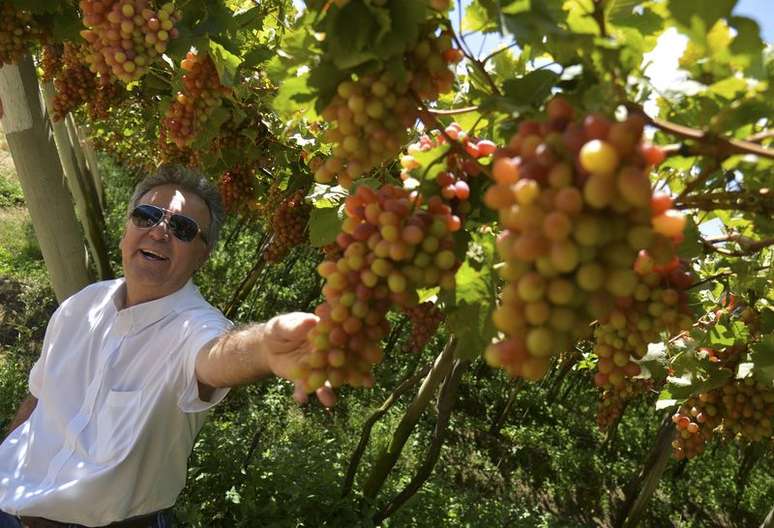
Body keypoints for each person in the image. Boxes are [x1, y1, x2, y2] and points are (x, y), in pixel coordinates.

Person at [0, 165, 333, 528]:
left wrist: (264, 348)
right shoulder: (80, 307)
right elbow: (38, 401)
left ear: (202, 256)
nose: (159, 231)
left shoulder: (195, 329)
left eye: (183, 228)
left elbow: (214, 357)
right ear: (126, 231)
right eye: (146, 216)